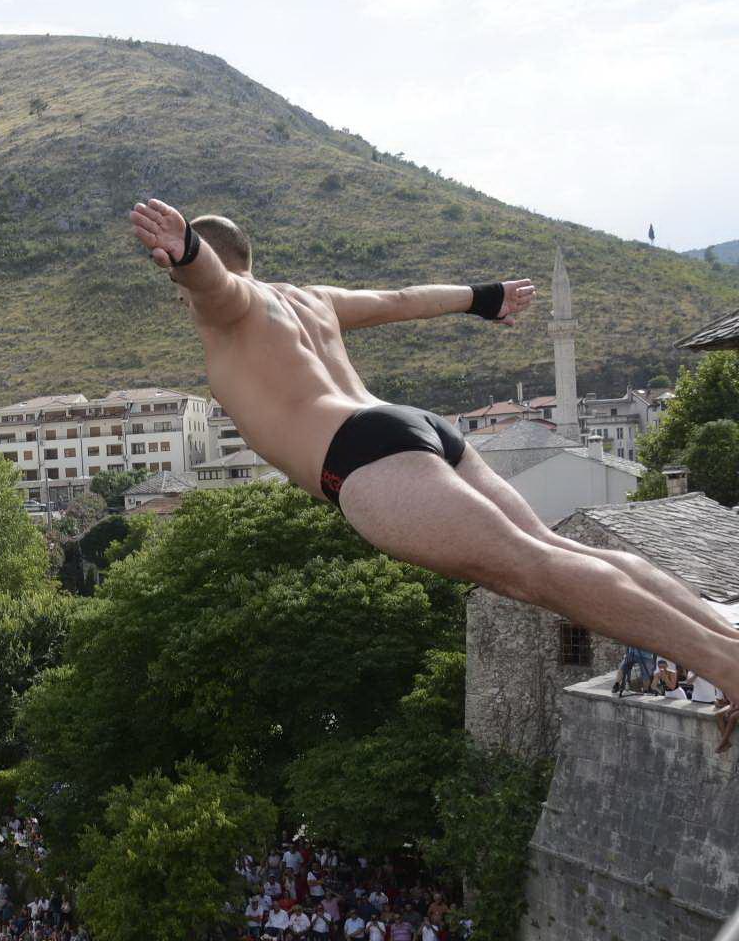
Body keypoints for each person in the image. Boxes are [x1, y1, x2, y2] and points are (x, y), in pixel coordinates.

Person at [129, 199, 739, 723]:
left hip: (360, 457)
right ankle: (727, 640)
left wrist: (186, 255)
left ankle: (725, 665)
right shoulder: (307, 300)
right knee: (561, 552)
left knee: (531, 570)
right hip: (413, 427)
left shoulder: (227, 309)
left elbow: (215, 284)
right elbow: (400, 299)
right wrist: (483, 298)